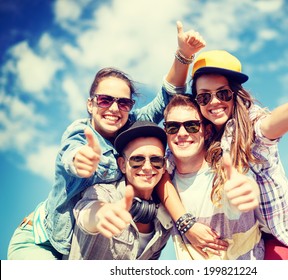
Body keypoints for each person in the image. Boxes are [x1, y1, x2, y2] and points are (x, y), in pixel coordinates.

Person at [7, 21, 205, 260]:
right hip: (43, 239)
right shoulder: (80, 132)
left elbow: (165, 98)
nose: (114, 108)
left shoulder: (129, 122)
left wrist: (184, 55)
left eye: (123, 102)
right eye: (104, 100)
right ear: (90, 104)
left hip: (80, 247)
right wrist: (80, 162)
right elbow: (72, 154)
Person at [158, 50, 288, 260]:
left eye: (222, 94)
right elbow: (163, 173)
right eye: (204, 96)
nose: (213, 102)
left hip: (280, 236)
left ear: (235, 93)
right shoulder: (196, 135)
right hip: (249, 234)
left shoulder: (249, 121)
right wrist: (185, 222)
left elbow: (268, 128)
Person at [162, 94, 264, 259]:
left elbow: (244, 183)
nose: (181, 133)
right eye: (172, 127)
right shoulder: (161, 178)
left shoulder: (226, 168)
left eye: (192, 126)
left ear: (207, 131)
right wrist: (185, 224)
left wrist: (247, 190)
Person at [67, 121, 172, 260]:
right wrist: (101, 215)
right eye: (137, 160)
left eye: (156, 160)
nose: (147, 167)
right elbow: (86, 213)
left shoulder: (165, 223)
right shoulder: (102, 192)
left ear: (164, 166)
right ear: (122, 165)